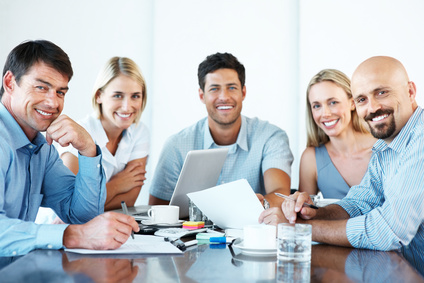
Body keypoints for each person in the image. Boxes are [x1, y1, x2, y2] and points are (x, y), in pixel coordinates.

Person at [261, 56, 424, 251]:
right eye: (362, 99)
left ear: (410, 91)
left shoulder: (419, 141)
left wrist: (297, 228)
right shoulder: (385, 147)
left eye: (381, 93)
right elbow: (361, 202)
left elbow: (387, 231)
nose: (372, 108)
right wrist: (312, 213)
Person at [0, 40, 139, 256]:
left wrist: (88, 149)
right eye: (41, 87)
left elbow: (82, 215)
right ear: (10, 82)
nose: (52, 102)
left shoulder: (42, 149)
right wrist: (73, 235)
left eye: (60, 92)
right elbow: (80, 228)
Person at [148, 52, 293, 207]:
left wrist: (259, 203)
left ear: (243, 92)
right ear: (201, 95)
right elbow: (158, 211)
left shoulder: (270, 137)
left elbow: (280, 193)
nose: (224, 97)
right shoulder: (176, 146)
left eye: (231, 87)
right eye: (214, 89)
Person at [59, 57, 149, 211]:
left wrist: (94, 198)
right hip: (58, 227)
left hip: (101, 224)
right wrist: (117, 185)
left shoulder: (140, 131)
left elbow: (129, 201)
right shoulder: (78, 133)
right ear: (99, 96)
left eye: (135, 96)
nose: (127, 107)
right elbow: (74, 208)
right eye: (118, 96)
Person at [299, 69, 376, 199]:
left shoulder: (383, 147)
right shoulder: (311, 158)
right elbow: (305, 213)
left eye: (333, 102)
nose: (325, 114)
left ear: (352, 103)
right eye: (317, 106)